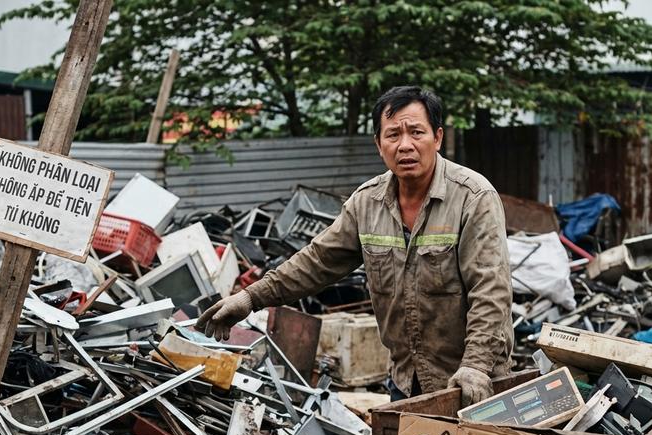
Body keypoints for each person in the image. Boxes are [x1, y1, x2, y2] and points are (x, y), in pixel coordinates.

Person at [196, 85, 513, 406]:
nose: (405, 145)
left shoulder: (473, 198)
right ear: (379, 144)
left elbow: (490, 290)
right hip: (406, 380)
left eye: (417, 132)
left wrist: (475, 365)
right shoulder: (367, 203)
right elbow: (316, 262)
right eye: (393, 135)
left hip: (473, 383)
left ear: (438, 138)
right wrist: (250, 298)